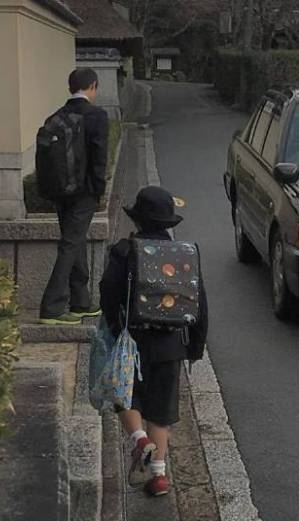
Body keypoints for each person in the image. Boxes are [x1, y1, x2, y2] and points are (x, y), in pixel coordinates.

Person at [99, 186, 208, 496]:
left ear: (138, 220)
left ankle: (138, 440)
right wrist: (194, 347)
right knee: (160, 411)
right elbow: (200, 303)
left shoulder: (124, 251)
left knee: (123, 394)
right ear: (168, 223)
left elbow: (108, 290)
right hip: (171, 345)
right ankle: (159, 477)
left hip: (133, 339)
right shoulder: (185, 254)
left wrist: (115, 325)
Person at [39, 68, 109, 325]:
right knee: (70, 244)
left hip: (60, 190)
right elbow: (99, 157)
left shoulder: (56, 116)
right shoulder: (96, 116)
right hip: (84, 191)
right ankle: (52, 307)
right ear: (93, 86)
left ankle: (81, 302)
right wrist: (99, 190)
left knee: (75, 240)